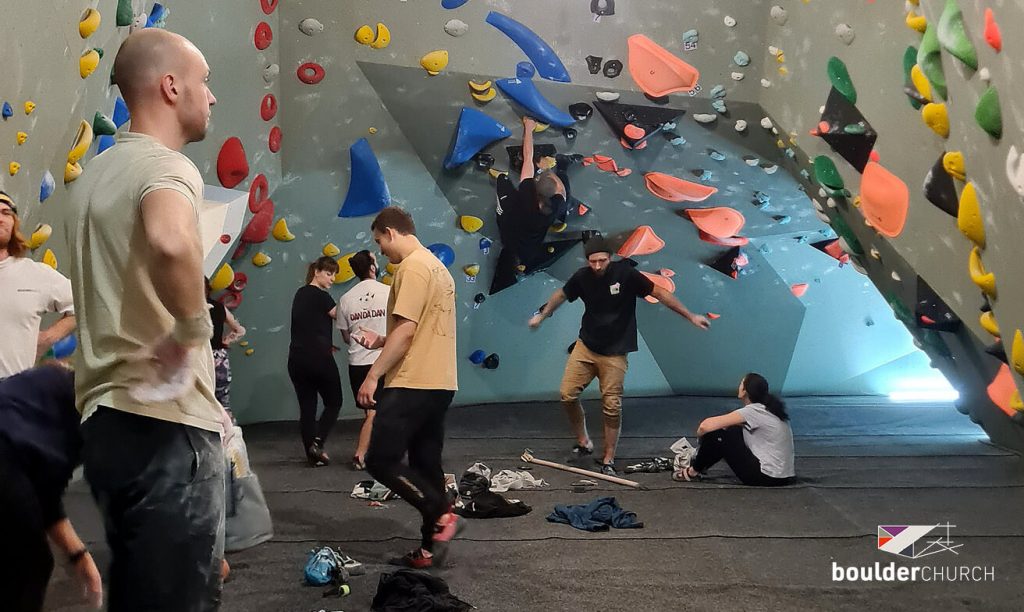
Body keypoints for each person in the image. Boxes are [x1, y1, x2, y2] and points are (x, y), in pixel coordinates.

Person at [65, 29, 226, 611]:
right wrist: (193, 330)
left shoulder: (89, 183)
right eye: (204, 83)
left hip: (105, 426)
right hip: (165, 423)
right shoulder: (168, 168)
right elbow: (168, 240)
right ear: (171, 85)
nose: (211, 98)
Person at [529, 235, 711, 476]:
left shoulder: (626, 275)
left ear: (610, 258)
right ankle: (583, 441)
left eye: (602, 261)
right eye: (592, 261)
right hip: (586, 346)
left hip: (615, 353)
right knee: (567, 395)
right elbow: (561, 295)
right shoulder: (582, 277)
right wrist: (542, 315)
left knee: (612, 406)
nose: (597, 266)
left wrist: (689, 315)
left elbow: (659, 293)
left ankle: (608, 458)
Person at [355, 206, 459, 569]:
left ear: (391, 232)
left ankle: (440, 511)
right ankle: (430, 548)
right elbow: (417, 328)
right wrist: (383, 339)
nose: (380, 250)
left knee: (380, 459)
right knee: (426, 463)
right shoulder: (437, 268)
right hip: (440, 382)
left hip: (412, 381)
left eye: (379, 241)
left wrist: (372, 376)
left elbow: (409, 331)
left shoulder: (412, 267)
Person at [0, 364, 103, 611]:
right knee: (29, 562)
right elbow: (44, 499)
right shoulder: (88, 412)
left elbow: (42, 497)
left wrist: (79, 556)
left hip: (10, 459)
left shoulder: (52, 383)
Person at [490, 116, 572, 295]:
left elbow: (528, 156)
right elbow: (561, 191)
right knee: (566, 201)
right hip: (528, 245)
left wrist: (528, 127)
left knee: (502, 179)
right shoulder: (554, 207)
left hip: (509, 224)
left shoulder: (527, 193)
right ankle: (565, 166)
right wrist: (549, 170)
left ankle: (501, 188)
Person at [0, 191, 76, 379]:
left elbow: (82, 305)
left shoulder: (35, 274)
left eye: (6, 212)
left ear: (14, 223)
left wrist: (48, 338)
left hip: (11, 394)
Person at [677, 373, 795, 486]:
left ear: (745, 391)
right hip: (784, 477)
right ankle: (701, 464)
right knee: (732, 430)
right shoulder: (771, 410)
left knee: (718, 435)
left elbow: (705, 426)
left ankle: (693, 470)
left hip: (766, 477)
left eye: (741, 383)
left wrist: (701, 440)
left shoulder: (753, 411)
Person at [335, 249, 389, 470]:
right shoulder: (389, 292)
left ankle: (377, 452)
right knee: (376, 412)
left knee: (371, 412)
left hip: (356, 363)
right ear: (373, 267)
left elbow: (347, 337)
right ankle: (361, 453)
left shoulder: (345, 299)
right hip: (382, 361)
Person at [288, 256, 343, 467]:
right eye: (329, 273)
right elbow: (339, 315)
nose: (333, 279)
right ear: (317, 272)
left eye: (334, 274)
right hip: (318, 359)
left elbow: (309, 327)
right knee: (334, 401)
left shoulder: (300, 294)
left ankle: (312, 454)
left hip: (297, 359)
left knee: (307, 407)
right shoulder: (321, 296)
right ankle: (318, 443)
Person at [207, 279, 246, 419]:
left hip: (199, 357)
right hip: (219, 357)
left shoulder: (189, 309)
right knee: (223, 402)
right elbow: (240, 330)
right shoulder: (219, 307)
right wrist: (226, 341)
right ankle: (229, 437)